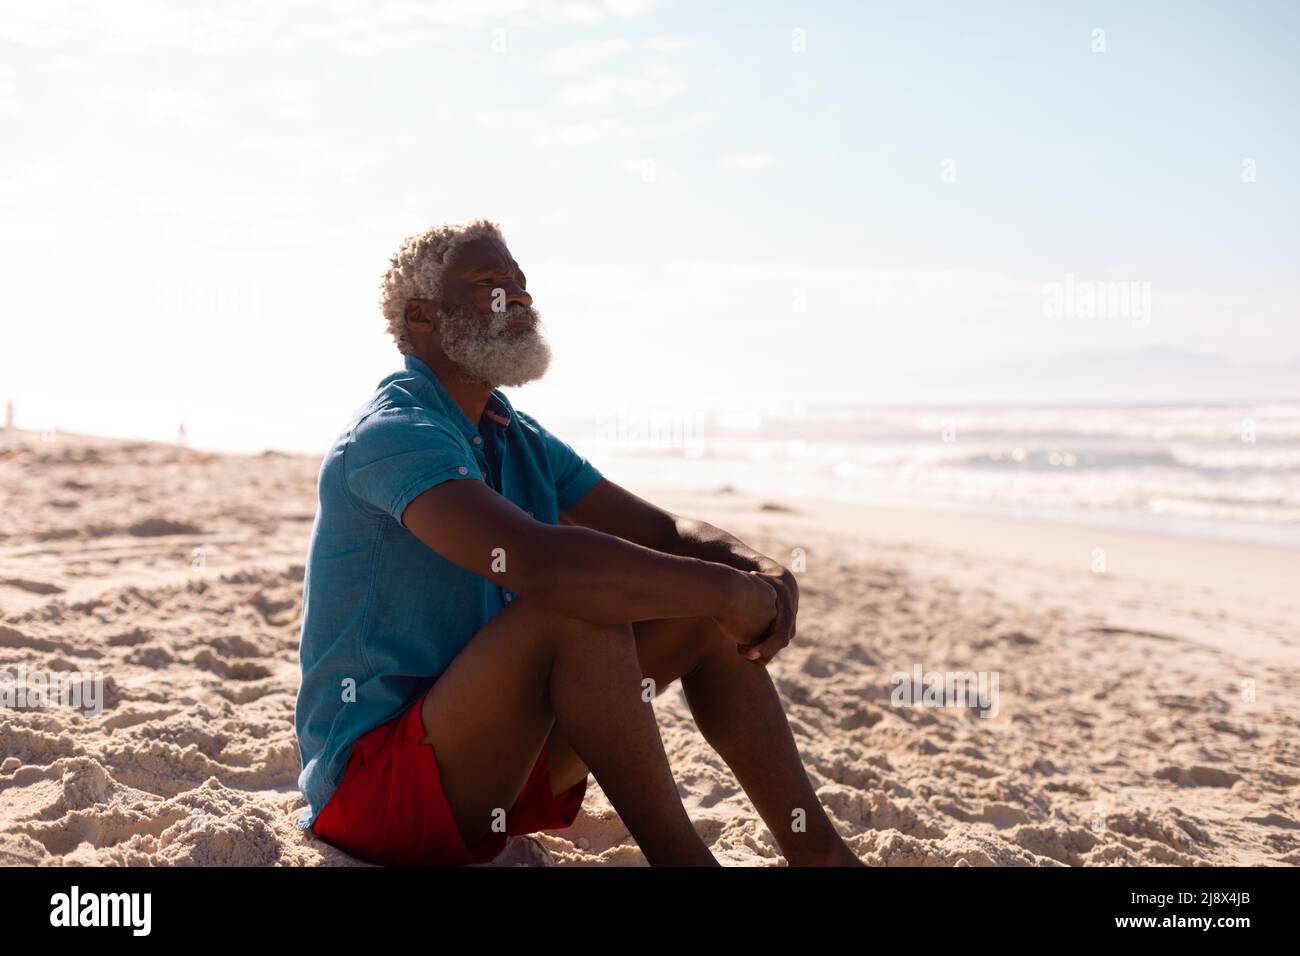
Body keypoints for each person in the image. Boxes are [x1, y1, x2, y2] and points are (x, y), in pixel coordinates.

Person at [294, 219, 863, 867]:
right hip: (377, 791)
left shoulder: (515, 432)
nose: (521, 299)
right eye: (491, 285)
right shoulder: (395, 433)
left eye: (523, 285)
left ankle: (821, 855)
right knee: (574, 607)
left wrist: (751, 570)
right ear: (423, 317)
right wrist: (725, 588)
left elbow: (666, 533)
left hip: (498, 769)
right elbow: (544, 564)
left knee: (696, 612)